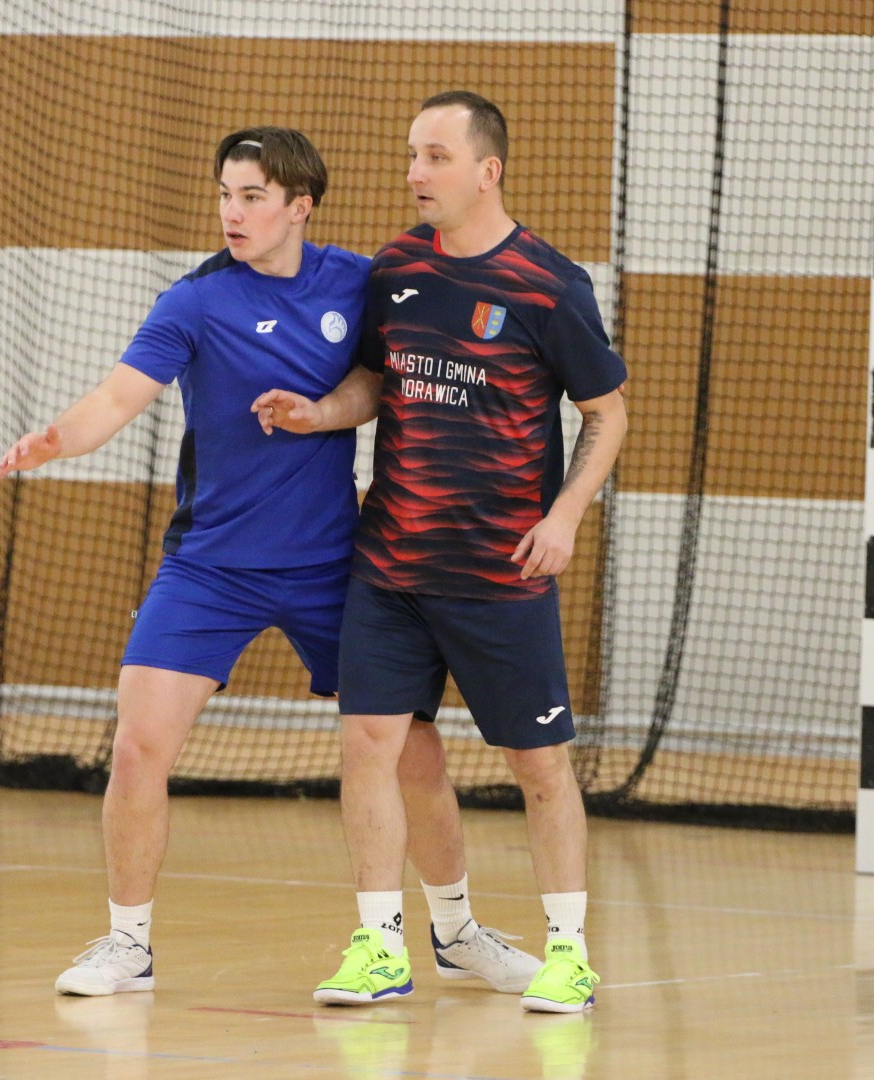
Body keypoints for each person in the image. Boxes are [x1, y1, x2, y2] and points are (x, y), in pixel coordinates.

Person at [0, 126, 541, 995]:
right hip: (210, 567)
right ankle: (127, 945)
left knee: (415, 755)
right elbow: (116, 396)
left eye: (252, 196)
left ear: (300, 206)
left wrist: (324, 412)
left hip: (335, 566)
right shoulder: (194, 301)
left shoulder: (355, 282)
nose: (233, 212)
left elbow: (380, 381)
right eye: (225, 194)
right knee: (138, 745)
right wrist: (56, 440)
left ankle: (457, 932)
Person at [254, 90, 629, 1011]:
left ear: (486, 171)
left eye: (434, 157)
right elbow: (375, 382)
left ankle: (569, 954)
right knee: (368, 746)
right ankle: (382, 947)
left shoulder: (549, 284)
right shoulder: (397, 268)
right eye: (411, 155)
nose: (414, 173)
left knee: (539, 765)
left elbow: (607, 413)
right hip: (390, 568)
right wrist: (319, 414)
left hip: (500, 574)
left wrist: (565, 515)